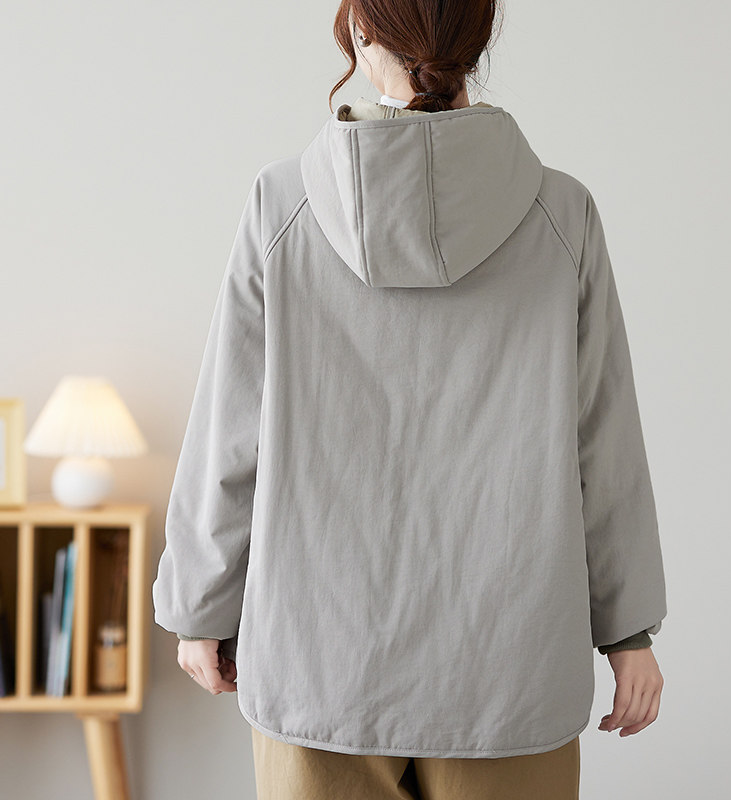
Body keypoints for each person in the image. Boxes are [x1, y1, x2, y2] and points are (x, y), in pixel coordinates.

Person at [152, 1, 668, 797]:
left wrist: (200, 606)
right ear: (480, 37)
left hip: (320, 662)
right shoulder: (562, 214)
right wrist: (627, 630)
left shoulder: (281, 205)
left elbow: (231, 427)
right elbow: (603, 438)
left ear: (361, 31)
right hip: (510, 670)